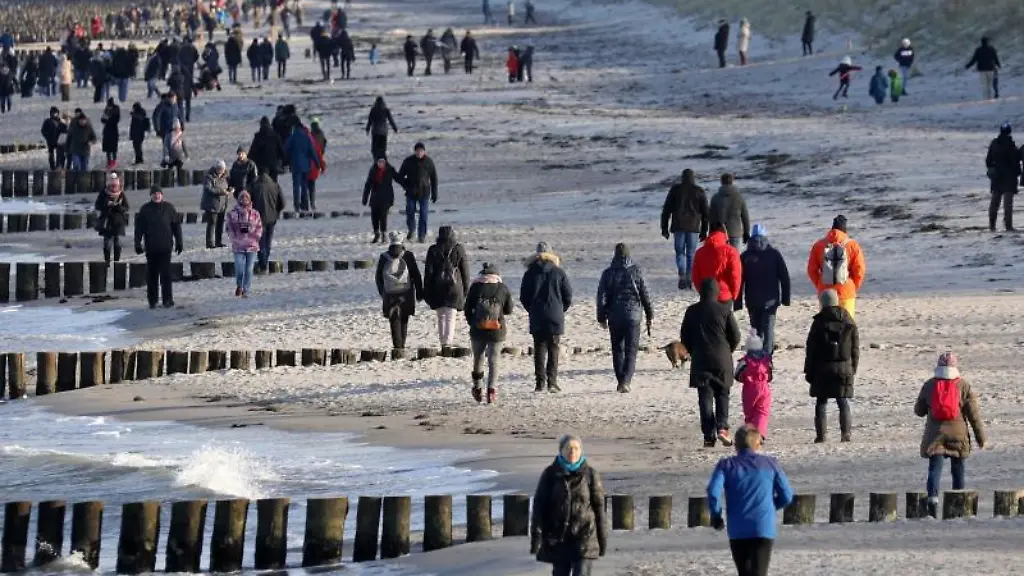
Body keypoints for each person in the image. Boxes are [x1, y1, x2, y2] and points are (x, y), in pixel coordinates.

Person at [707, 426, 793, 576]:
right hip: (763, 526)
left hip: (737, 528)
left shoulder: (726, 465)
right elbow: (787, 495)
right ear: (758, 443)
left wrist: (716, 515)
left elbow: (713, 491)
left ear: (736, 444)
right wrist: (770, 506)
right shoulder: (770, 464)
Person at [914, 352, 987, 519]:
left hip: (935, 435)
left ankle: (932, 502)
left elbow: (919, 411)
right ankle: (959, 503)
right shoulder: (963, 385)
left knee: (935, 470)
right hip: (958, 435)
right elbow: (974, 416)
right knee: (958, 469)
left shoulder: (930, 385)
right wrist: (981, 438)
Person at [530, 435, 607, 576]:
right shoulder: (550, 474)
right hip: (558, 537)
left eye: (576, 448)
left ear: (581, 451)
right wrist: (537, 538)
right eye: (568, 448)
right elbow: (539, 506)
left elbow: (599, 508)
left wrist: (602, 540)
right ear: (561, 450)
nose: (572, 451)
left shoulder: (590, 474)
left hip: (585, 535)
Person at [681, 278, 742, 447]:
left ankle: (708, 435)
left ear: (701, 292)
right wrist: (727, 350)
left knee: (705, 397)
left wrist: (693, 350)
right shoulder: (724, 310)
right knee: (722, 394)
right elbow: (736, 336)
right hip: (722, 359)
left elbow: (684, 336)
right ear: (717, 292)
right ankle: (722, 428)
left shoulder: (691, 311)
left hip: (701, 359)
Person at [596, 243, 653, 393]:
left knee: (617, 350)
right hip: (633, 316)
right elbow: (644, 293)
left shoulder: (608, 273)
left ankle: (621, 380)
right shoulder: (636, 270)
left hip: (614, 316)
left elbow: (601, 296)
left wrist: (601, 317)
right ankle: (626, 381)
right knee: (631, 351)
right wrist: (649, 313)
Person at [804, 289, 858, 443]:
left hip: (822, 368)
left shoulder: (819, 322)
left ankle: (821, 436)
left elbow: (811, 349)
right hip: (844, 367)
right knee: (842, 400)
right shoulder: (849, 322)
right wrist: (853, 368)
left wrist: (809, 371)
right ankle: (846, 433)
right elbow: (855, 349)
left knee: (821, 402)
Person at [521, 242, 573, 393]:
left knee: (539, 349)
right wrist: (560, 310)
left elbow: (524, 297)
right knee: (554, 348)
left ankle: (540, 383)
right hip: (555, 315)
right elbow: (568, 296)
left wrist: (531, 310)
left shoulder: (529, 273)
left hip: (537, 315)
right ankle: (552, 382)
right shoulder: (559, 272)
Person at [464, 262, 515, 404]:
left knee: (478, 358)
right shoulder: (502, 288)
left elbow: (467, 308)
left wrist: (473, 322)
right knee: (494, 360)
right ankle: (491, 391)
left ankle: (477, 388)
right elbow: (509, 310)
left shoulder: (476, 287)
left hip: (478, 329)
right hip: (497, 330)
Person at [736, 224, 790, 353]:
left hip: (752, 300)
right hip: (771, 301)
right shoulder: (775, 254)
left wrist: (737, 303)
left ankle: (757, 356)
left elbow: (739, 281)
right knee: (768, 330)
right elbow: (784, 277)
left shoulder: (745, 256)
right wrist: (785, 299)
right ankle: (767, 358)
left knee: (756, 330)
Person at [806, 215, 866, 319]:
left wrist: (820, 285)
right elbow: (859, 270)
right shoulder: (852, 245)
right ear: (845, 230)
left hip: (825, 293)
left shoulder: (818, 245)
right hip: (846, 291)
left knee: (826, 323)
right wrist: (853, 286)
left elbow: (811, 270)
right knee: (847, 324)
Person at [134, 187, 183, 309]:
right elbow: (139, 229)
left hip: (165, 246)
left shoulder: (169, 208)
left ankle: (168, 300)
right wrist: (137, 243)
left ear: (162, 195)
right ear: (151, 196)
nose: (156, 196)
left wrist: (179, 242)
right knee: (152, 275)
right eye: (154, 194)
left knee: (166, 275)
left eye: (158, 194)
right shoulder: (145, 209)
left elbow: (176, 226)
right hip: (151, 247)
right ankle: (152, 300)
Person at [424, 225, 472, 349]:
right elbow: (465, 271)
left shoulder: (433, 249)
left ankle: (443, 342)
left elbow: (428, 272)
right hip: (455, 287)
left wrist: (426, 290)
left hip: (437, 287)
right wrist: (466, 289)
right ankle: (448, 342)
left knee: (441, 316)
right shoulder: (458, 249)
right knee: (451, 316)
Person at [375, 232, 424, 351]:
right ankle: (402, 345)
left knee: (394, 319)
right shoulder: (408, 255)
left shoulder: (384, 257)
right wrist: (419, 292)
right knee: (404, 318)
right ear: (402, 243)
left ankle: (397, 346)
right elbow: (416, 274)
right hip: (406, 292)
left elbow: (378, 277)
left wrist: (383, 292)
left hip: (390, 293)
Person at [692, 222, 742, 308]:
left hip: (706, 296)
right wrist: (734, 294)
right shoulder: (731, 251)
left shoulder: (699, 252)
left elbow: (695, 276)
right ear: (725, 233)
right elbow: (735, 275)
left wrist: (702, 291)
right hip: (725, 295)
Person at [398, 142, 439, 242]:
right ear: (415, 151)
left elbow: (434, 178)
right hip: (411, 192)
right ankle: (411, 230)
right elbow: (400, 176)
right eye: (418, 151)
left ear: (424, 151)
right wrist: (406, 186)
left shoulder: (429, 161)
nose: (419, 152)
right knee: (410, 212)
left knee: (423, 215)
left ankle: (421, 236)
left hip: (424, 192)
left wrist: (434, 193)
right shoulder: (408, 161)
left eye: (421, 151)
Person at [734, 333, 773, 439]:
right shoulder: (766, 360)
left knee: (749, 414)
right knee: (762, 412)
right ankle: (759, 433)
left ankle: (750, 436)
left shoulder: (745, 360)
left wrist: (745, 378)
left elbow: (737, 375)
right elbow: (770, 376)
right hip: (764, 388)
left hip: (749, 389)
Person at [226, 190, 263, 297]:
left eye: (246, 198)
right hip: (238, 246)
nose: (244, 200)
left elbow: (259, 228)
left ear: (250, 199)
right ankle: (239, 285)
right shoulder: (232, 214)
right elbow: (229, 228)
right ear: (239, 199)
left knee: (249, 269)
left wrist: (255, 237)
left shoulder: (255, 213)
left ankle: (246, 289)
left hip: (252, 246)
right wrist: (234, 239)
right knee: (239, 269)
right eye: (242, 198)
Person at [985, 122, 1020, 232]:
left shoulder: (994, 143)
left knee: (995, 202)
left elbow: (988, 161)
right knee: (1007, 204)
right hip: (1009, 177)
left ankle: (992, 226)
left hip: (997, 177)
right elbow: (1015, 161)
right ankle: (1008, 226)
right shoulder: (1011, 145)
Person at [249, 171, 285, 271]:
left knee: (260, 240)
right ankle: (265, 260)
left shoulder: (254, 186)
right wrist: (276, 212)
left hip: (257, 217)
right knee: (268, 240)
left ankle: (262, 262)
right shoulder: (275, 186)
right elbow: (282, 203)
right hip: (272, 218)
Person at [363, 156, 399, 243]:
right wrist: (365, 198)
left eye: (382, 162)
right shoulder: (373, 171)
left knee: (383, 216)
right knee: (374, 216)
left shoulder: (390, 170)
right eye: (379, 162)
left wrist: (407, 186)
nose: (381, 163)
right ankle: (376, 234)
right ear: (376, 162)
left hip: (386, 197)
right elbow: (368, 185)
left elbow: (399, 179)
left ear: (385, 162)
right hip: (375, 197)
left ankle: (383, 235)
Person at [95, 173, 129, 263]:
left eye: (115, 184)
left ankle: (117, 262)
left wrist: (118, 207)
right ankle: (107, 262)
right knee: (107, 244)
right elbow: (97, 205)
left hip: (118, 222)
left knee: (118, 243)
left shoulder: (121, 194)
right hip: (107, 222)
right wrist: (106, 204)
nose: (113, 186)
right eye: (112, 183)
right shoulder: (103, 193)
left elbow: (126, 207)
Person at [709, 173, 749, 250]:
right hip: (736, 233)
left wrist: (711, 234)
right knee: (735, 256)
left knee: (721, 256)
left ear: (721, 182)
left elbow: (712, 219)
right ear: (732, 181)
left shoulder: (715, 198)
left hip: (720, 234)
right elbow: (745, 217)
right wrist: (746, 233)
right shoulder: (739, 197)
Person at [201, 160, 231, 249]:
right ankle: (209, 243)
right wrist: (222, 192)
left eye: (222, 168)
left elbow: (229, 185)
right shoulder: (209, 176)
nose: (221, 170)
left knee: (220, 224)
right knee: (212, 223)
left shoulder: (226, 177)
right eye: (219, 168)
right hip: (211, 204)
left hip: (222, 205)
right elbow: (208, 188)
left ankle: (218, 242)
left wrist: (230, 189)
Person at [248, 117, 285, 182]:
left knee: (263, 183)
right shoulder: (275, 135)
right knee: (274, 183)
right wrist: (284, 161)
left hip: (262, 166)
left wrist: (247, 160)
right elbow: (281, 150)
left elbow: (253, 151)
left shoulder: (258, 136)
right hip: (273, 165)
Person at [366, 96, 398, 160]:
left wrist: (367, 129)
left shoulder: (373, 110)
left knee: (375, 150)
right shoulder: (386, 110)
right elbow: (391, 120)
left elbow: (370, 121)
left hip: (375, 132)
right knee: (382, 149)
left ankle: (376, 161)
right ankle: (383, 161)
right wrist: (395, 129)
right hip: (384, 132)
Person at [305, 122, 327, 211]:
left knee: (305, 187)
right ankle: (312, 203)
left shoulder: (303, 143)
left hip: (304, 169)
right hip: (313, 169)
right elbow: (319, 155)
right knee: (312, 188)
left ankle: (305, 204)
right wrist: (323, 167)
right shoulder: (315, 143)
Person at [101, 98, 121, 168]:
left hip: (113, 131)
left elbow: (115, 121)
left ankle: (113, 161)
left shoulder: (116, 111)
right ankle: (109, 161)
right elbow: (102, 119)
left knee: (113, 148)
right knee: (107, 148)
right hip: (107, 131)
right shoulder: (106, 110)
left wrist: (108, 120)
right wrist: (107, 119)